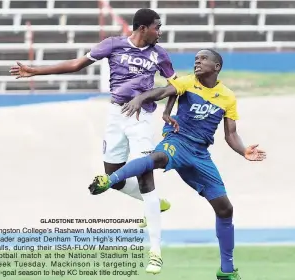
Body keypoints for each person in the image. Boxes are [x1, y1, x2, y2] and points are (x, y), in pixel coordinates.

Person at [9, 8, 179, 274]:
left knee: (146, 175)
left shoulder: (160, 54)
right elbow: (77, 64)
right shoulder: (113, 44)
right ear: (143, 27)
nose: (161, 31)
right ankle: (155, 204)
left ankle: (155, 251)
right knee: (114, 179)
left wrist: (158, 106)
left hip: (141, 118)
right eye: (158, 26)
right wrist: (35, 71)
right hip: (115, 115)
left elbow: (174, 86)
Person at [89, 49, 267, 279]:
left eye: (203, 59)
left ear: (216, 67)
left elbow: (230, 134)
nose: (197, 62)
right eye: (195, 59)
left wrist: (244, 151)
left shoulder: (228, 97)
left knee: (226, 209)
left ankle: (226, 271)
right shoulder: (187, 83)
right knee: (156, 159)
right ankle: (108, 180)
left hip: (200, 155)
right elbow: (163, 91)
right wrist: (140, 98)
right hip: (177, 141)